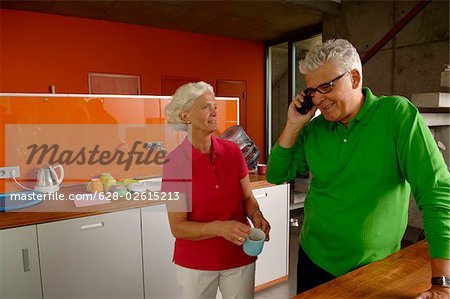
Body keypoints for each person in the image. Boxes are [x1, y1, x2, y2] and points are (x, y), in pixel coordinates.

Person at [266, 39, 450, 298]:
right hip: (313, 259)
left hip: (376, 267)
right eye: (311, 92)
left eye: (326, 87)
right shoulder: (314, 130)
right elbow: (276, 174)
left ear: (354, 78)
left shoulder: (396, 115)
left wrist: (442, 283)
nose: (318, 99)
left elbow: (437, 194)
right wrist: (293, 125)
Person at [161, 81, 271, 299]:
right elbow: (178, 227)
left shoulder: (233, 152)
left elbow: (247, 197)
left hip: (239, 254)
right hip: (196, 264)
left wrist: (256, 214)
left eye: (214, 106)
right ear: (185, 117)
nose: (214, 112)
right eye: (205, 107)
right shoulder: (174, 163)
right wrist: (220, 228)